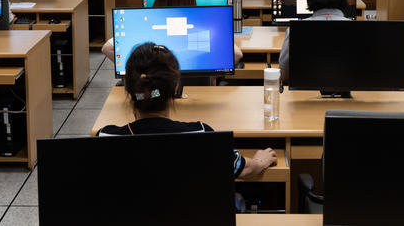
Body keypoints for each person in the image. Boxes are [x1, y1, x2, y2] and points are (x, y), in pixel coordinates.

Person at [97, 42, 277, 178]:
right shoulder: (202, 135)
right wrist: (260, 161)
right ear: (175, 87)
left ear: (127, 86)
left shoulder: (105, 139)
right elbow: (243, 168)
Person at [102, 0, 243, 63]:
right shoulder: (202, 23)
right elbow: (237, 54)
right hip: (198, 93)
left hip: (157, 94)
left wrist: (133, 69)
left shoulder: (147, 22)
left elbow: (106, 49)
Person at [278, 0, 350, 84]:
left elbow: (284, 75)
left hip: (304, 97)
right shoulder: (359, 30)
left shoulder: (294, 30)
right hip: (348, 97)